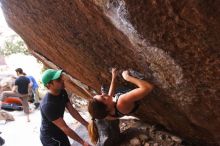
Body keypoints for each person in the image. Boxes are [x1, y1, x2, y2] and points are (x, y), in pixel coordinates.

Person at [87, 68, 153, 144]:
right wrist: (127, 77)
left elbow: (109, 96)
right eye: (103, 98)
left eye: (100, 95)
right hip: (131, 100)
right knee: (105, 89)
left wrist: (113, 76)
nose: (103, 95)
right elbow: (148, 87)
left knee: (104, 89)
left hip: (122, 107)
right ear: (107, 108)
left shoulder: (106, 114)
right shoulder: (122, 100)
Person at [40, 69, 90, 146]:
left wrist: (86, 124)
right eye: (58, 80)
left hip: (60, 131)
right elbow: (65, 128)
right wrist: (83, 142)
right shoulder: (48, 105)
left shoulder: (62, 91)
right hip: (51, 137)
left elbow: (72, 111)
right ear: (49, 85)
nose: (62, 80)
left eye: (61, 78)